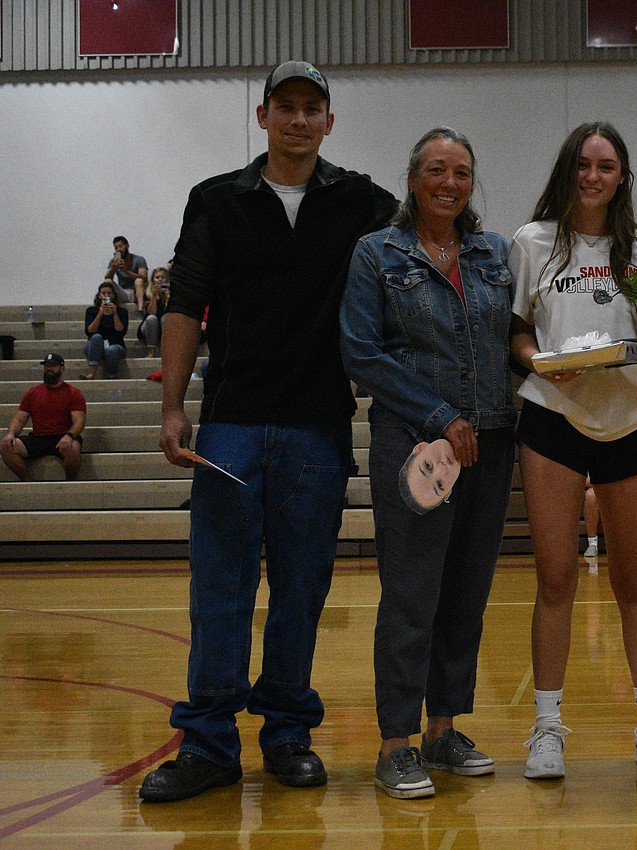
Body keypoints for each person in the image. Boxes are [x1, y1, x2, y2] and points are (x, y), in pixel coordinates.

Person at [139, 60, 398, 804]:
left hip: (318, 424)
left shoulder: (363, 202)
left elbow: (421, 246)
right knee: (218, 588)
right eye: (284, 106)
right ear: (262, 117)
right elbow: (186, 304)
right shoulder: (217, 200)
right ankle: (210, 744)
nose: (297, 119)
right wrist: (172, 407)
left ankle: (287, 733)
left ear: (328, 121)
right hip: (230, 425)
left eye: (311, 108)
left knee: (301, 589)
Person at [341, 127, 514, 800]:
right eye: (437, 170)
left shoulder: (493, 252)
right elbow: (361, 352)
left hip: (490, 445)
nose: (449, 181)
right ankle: (396, 742)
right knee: (412, 595)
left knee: (466, 596)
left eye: (462, 172)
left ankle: (443, 730)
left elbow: (513, 338)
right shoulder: (374, 254)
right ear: (413, 180)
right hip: (415, 445)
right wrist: (442, 417)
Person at [510, 122, 637, 779]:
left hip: (627, 416)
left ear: (621, 176)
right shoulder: (534, 242)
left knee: (632, 580)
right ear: (568, 171)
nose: (593, 176)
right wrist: (542, 362)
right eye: (583, 164)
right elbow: (518, 330)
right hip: (553, 418)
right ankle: (547, 730)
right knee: (555, 578)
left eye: (606, 165)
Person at [0, 353, 85, 482]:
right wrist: (10, 434)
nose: (48, 369)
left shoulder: (74, 393)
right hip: (38, 438)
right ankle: (28, 481)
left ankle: (70, 482)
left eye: (53, 366)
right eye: (46, 366)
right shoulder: (32, 393)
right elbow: (19, 418)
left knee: (73, 448)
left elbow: (79, 421)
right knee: (6, 447)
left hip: (62, 437)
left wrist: (69, 435)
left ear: (62, 369)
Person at [82, 282, 129, 379]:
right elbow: (89, 331)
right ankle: (92, 372)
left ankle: (112, 376)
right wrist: (100, 313)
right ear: (99, 295)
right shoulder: (91, 311)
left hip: (115, 345)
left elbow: (121, 331)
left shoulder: (122, 312)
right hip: (94, 345)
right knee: (96, 337)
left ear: (113, 295)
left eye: (109, 293)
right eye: (103, 293)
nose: (106, 295)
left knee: (111, 350)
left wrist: (115, 313)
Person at [104, 235, 149, 311]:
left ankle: (140, 310)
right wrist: (113, 268)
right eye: (116, 248)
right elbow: (107, 278)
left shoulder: (139, 259)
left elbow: (144, 278)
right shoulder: (114, 261)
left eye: (121, 246)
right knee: (107, 282)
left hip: (137, 292)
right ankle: (106, 308)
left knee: (139, 281)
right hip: (123, 292)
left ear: (127, 246)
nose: (119, 249)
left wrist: (126, 271)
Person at [138, 267, 171, 358]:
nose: (160, 279)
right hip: (149, 327)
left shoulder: (172, 293)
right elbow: (151, 312)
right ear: (153, 280)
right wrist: (154, 296)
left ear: (167, 279)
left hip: (164, 325)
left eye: (162, 277)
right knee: (152, 318)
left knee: (166, 317)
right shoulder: (148, 293)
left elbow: (170, 311)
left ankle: (166, 350)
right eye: (157, 277)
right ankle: (151, 350)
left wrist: (167, 297)